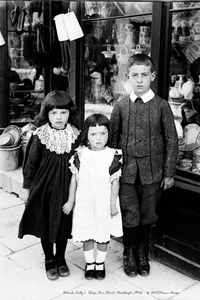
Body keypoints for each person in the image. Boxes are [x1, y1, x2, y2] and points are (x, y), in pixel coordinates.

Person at [109, 54, 179, 277]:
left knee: (148, 213)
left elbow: (171, 140)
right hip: (126, 173)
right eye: (134, 75)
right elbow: (112, 140)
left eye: (144, 75)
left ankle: (142, 252)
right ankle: (129, 253)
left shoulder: (161, 106)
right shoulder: (120, 106)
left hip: (153, 172)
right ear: (127, 78)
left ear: (152, 76)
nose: (139, 80)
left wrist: (169, 173)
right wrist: (111, 171)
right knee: (130, 213)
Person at [18, 90, 80, 281]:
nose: (59, 117)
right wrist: (27, 190)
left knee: (62, 222)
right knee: (44, 221)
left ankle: (61, 258)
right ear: (47, 114)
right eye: (54, 113)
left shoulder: (75, 135)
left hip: (65, 188)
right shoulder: (40, 135)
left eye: (63, 112)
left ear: (70, 113)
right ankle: (49, 259)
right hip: (44, 187)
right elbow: (30, 164)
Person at [63, 113, 123, 280]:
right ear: (86, 135)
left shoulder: (113, 156)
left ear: (108, 134)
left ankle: (100, 263)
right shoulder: (80, 155)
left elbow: (115, 182)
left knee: (102, 233)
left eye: (103, 133)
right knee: (88, 232)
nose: (98, 138)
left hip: (104, 201)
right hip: (85, 201)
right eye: (93, 134)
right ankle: (89, 262)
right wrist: (70, 201)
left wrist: (112, 204)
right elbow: (74, 180)